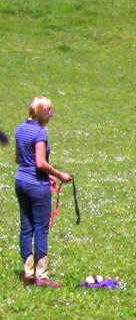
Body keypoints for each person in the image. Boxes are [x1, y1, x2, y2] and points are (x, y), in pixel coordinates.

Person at [14, 96, 72, 288]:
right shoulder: (40, 133)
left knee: (26, 226)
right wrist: (59, 174)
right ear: (40, 111)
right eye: (48, 111)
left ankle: (27, 272)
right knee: (41, 229)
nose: (52, 114)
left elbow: (18, 159)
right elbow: (40, 163)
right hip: (36, 186)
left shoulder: (20, 129)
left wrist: (47, 175)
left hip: (21, 181)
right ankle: (42, 275)